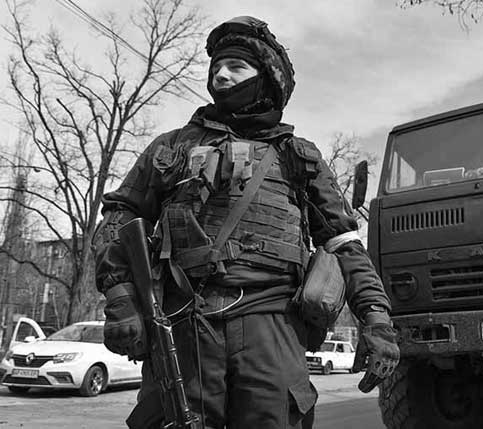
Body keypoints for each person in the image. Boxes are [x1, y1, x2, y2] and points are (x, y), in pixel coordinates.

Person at [93, 16, 399, 429]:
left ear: (268, 79)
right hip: (184, 325)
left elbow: (344, 244)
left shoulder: (298, 157)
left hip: (272, 327)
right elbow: (119, 216)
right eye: (216, 67)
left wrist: (376, 318)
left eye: (236, 67)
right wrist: (121, 295)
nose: (221, 75)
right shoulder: (172, 148)